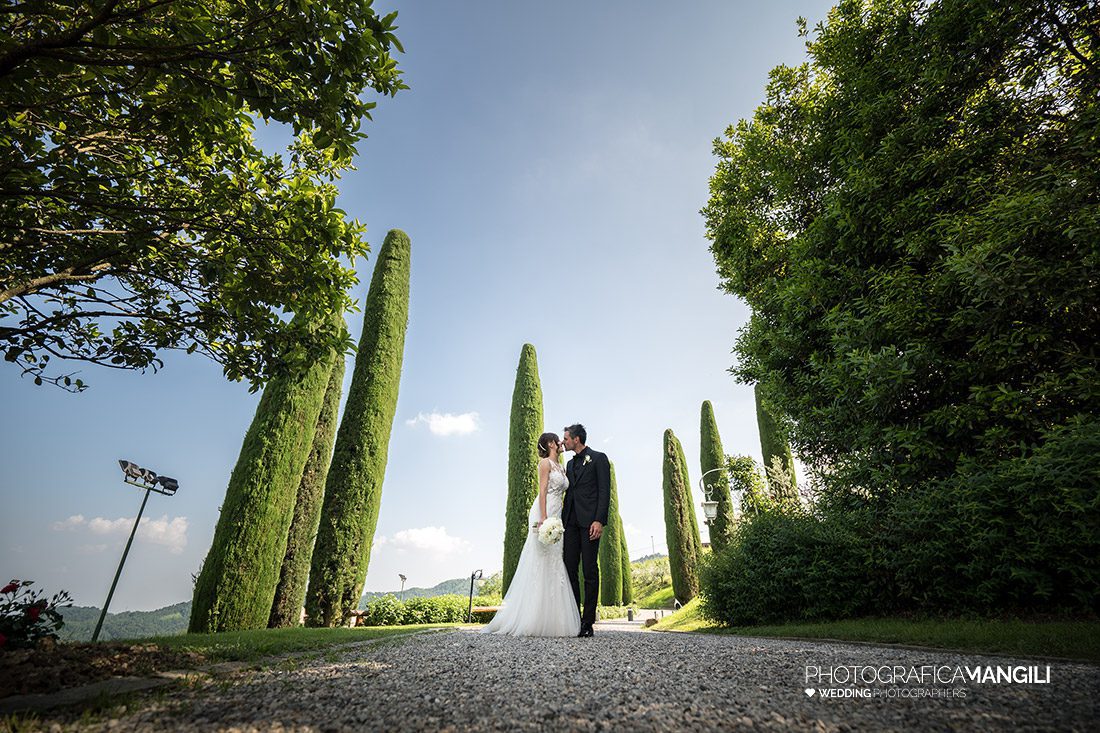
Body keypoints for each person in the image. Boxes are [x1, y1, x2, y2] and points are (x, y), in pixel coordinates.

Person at [481, 432, 581, 637]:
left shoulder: (561, 467)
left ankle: (552, 619)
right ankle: (531, 618)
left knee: (554, 560)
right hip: (544, 513)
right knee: (540, 559)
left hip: (557, 515)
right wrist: (543, 517)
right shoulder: (545, 464)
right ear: (551, 444)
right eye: (558, 440)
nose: (561, 443)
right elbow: (542, 490)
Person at [561, 423, 611, 638]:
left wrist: (599, 520)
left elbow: (604, 491)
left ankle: (587, 622)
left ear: (576, 439)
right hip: (570, 523)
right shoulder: (569, 464)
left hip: (590, 522)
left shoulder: (598, 458)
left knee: (589, 570)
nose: (563, 442)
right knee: (569, 568)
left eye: (566, 438)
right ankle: (574, 618)